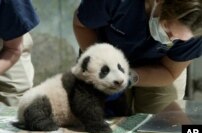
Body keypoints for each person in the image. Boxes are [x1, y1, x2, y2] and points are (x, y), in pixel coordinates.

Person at [73, 0, 202, 115]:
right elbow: (82, 25)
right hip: (105, 51)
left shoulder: (197, 31)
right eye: (168, 29)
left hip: (160, 68)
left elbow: (169, 72)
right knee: (92, 115)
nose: (170, 40)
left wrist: (130, 77)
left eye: (179, 39)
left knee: (161, 125)